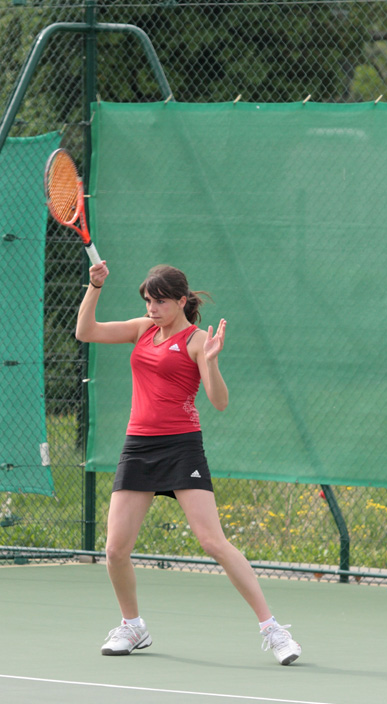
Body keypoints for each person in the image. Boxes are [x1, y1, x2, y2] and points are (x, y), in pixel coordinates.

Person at [76, 262, 301, 666]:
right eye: (147, 300)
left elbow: (219, 402)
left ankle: (273, 629)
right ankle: (132, 626)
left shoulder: (197, 341)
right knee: (114, 550)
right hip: (138, 447)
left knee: (213, 542)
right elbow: (86, 332)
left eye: (159, 301)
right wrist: (94, 286)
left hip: (182, 448)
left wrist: (211, 362)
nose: (152, 307)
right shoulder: (142, 329)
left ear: (181, 301)